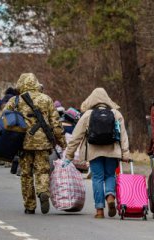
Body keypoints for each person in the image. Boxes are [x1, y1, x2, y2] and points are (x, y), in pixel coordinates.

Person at [2, 73, 66, 215]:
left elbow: (4, 120)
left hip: (22, 142)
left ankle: (30, 205)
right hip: (43, 142)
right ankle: (43, 191)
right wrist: (62, 142)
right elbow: (56, 123)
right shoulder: (46, 99)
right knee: (42, 170)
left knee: (26, 174)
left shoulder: (15, 100)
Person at [64, 88, 130, 219]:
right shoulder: (116, 113)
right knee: (110, 175)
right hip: (112, 150)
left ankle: (99, 210)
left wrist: (69, 155)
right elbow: (123, 135)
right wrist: (125, 153)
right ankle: (110, 196)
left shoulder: (88, 115)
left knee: (97, 178)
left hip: (94, 151)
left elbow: (76, 136)